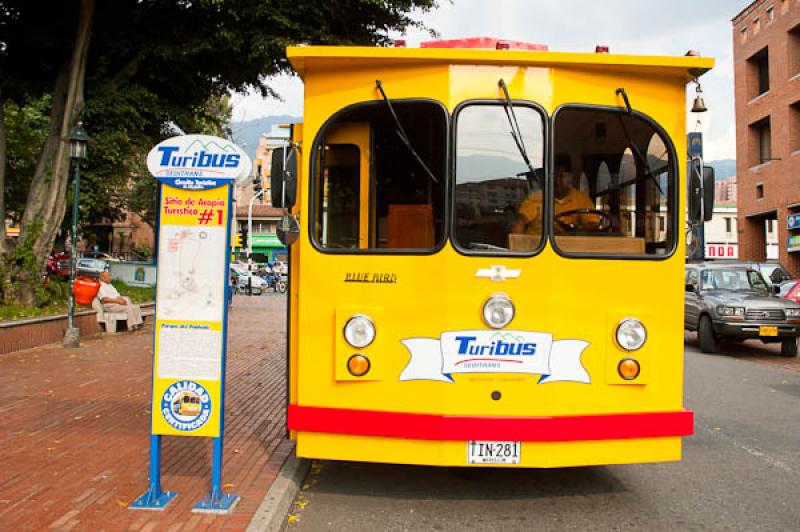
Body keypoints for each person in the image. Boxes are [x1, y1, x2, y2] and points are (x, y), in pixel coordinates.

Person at [512, 157, 599, 234]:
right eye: (554, 177)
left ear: (569, 178)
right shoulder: (535, 199)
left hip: (568, 249)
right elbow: (519, 224)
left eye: (561, 177)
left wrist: (572, 231)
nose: (557, 182)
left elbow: (592, 224)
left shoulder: (581, 199)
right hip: (537, 249)